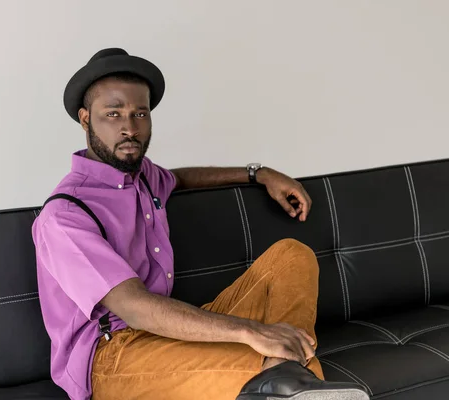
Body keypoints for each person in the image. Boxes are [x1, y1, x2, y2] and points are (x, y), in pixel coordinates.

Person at [32, 48, 369, 400]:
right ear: (86, 119)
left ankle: (281, 372)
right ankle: (285, 379)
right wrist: (251, 332)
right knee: (263, 374)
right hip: (112, 355)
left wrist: (258, 174)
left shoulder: (142, 178)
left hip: (168, 333)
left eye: (139, 113)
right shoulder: (65, 216)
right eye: (112, 114)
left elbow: (180, 178)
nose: (129, 128)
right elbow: (135, 307)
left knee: (292, 255)